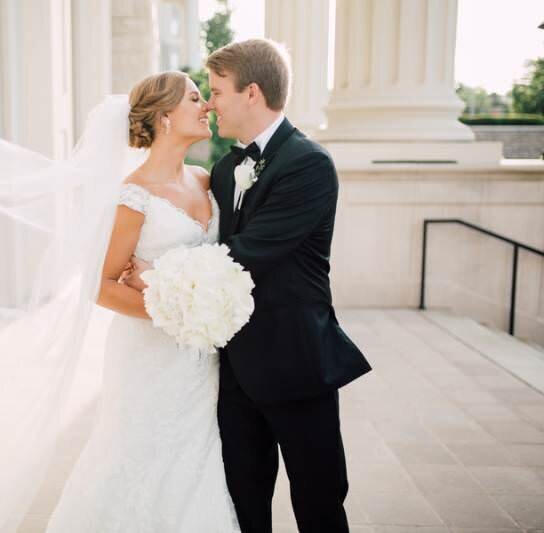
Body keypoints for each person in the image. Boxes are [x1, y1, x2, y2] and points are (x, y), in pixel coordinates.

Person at [124, 39, 371, 533]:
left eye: (215, 91)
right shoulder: (221, 169)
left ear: (251, 93)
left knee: (319, 503)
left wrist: (156, 275)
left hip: (298, 364)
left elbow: (245, 254)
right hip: (232, 373)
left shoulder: (308, 164)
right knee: (242, 506)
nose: (210, 102)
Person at [45, 70, 240, 533]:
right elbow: (101, 284)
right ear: (166, 117)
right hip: (148, 357)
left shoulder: (205, 180)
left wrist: (198, 306)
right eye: (195, 98)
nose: (207, 106)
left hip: (200, 359)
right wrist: (176, 310)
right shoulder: (133, 196)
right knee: (137, 454)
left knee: (195, 460)